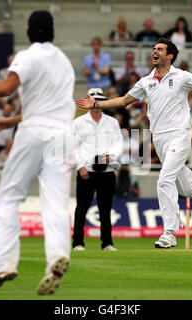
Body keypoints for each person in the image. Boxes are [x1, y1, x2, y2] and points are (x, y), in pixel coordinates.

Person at [77, 38, 192, 249]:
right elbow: (122, 101)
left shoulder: (182, 77)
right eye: (154, 48)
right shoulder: (146, 81)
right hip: (160, 141)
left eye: (159, 49)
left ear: (170, 55)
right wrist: (96, 104)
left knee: (164, 180)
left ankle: (170, 232)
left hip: (179, 137)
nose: (154, 51)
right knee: (188, 188)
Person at [0, 10, 75, 295]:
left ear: (28, 32)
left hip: (34, 132)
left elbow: (9, 87)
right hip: (62, 136)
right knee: (55, 203)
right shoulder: (64, 62)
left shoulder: (28, 54)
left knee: (8, 198)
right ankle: (58, 257)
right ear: (52, 31)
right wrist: (11, 120)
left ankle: (3, 264)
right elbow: (51, 107)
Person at [72, 88, 122, 252]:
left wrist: (111, 156)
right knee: (82, 207)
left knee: (105, 208)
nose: (96, 104)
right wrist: (80, 166)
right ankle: (78, 243)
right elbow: (73, 146)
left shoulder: (112, 122)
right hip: (86, 170)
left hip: (107, 171)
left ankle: (107, 243)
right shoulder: (79, 122)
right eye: (93, 100)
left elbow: (118, 143)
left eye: (99, 100)